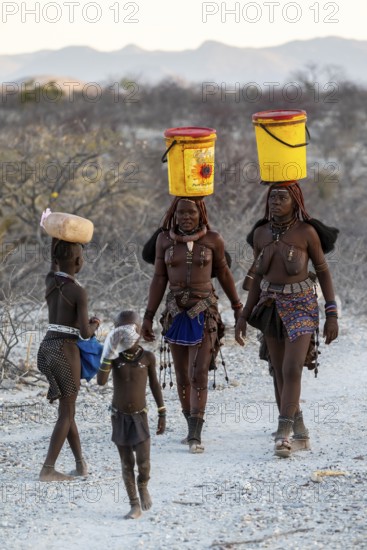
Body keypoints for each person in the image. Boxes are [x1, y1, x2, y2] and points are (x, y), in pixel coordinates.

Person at [235, 181, 339, 458]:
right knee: (279, 369)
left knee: (293, 368)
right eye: (272, 197)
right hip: (270, 305)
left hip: (302, 304)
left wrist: (331, 314)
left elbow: (324, 272)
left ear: (295, 201)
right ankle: (301, 433)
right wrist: (244, 316)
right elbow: (257, 277)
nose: (275, 202)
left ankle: (283, 434)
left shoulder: (307, 233)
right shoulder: (260, 233)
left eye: (282, 197)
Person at [141, 196, 242, 453]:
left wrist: (238, 307)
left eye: (191, 213)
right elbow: (158, 280)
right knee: (182, 375)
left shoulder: (213, 240)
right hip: (175, 312)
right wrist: (148, 316)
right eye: (181, 213)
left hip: (204, 310)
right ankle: (190, 427)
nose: (186, 217)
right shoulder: (164, 241)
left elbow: (225, 275)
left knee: (198, 373)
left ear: (201, 214)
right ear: (174, 215)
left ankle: (195, 434)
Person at [37, 238, 100, 481]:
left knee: (67, 409)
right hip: (66, 349)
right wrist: (94, 324)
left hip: (47, 346)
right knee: (67, 412)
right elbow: (84, 333)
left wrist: (57, 238)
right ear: (78, 261)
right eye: (81, 256)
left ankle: (80, 464)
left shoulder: (50, 281)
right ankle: (48, 469)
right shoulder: (78, 291)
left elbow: (55, 264)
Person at [97, 310, 166, 520]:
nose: (127, 335)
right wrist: (109, 350)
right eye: (121, 331)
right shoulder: (114, 357)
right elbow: (100, 381)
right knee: (127, 462)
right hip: (119, 416)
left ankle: (143, 484)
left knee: (143, 463)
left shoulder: (148, 357)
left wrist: (162, 412)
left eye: (131, 330)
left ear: (139, 331)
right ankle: (134, 504)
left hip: (140, 416)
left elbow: (154, 385)